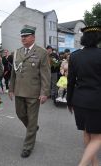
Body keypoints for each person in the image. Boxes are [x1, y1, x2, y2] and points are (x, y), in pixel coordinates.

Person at [9, 25, 51, 158]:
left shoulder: (41, 52)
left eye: (26, 36)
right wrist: (11, 88)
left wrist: (44, 92)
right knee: (20, 114)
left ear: (33, 37)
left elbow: (45, 74)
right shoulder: (17, 52)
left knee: (32, 119)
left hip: (33, 92)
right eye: (22, 36)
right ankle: (33, 128)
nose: (23, 38)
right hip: (19, 90)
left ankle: (28, 146)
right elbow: (13, 73)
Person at [67, 25, 101, 166]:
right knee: (98, 137)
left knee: (87, 132)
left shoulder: (74, 56)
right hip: (97, 102)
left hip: (79, 101)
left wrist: (69, 102)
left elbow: (70, 81)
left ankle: (95, 163)